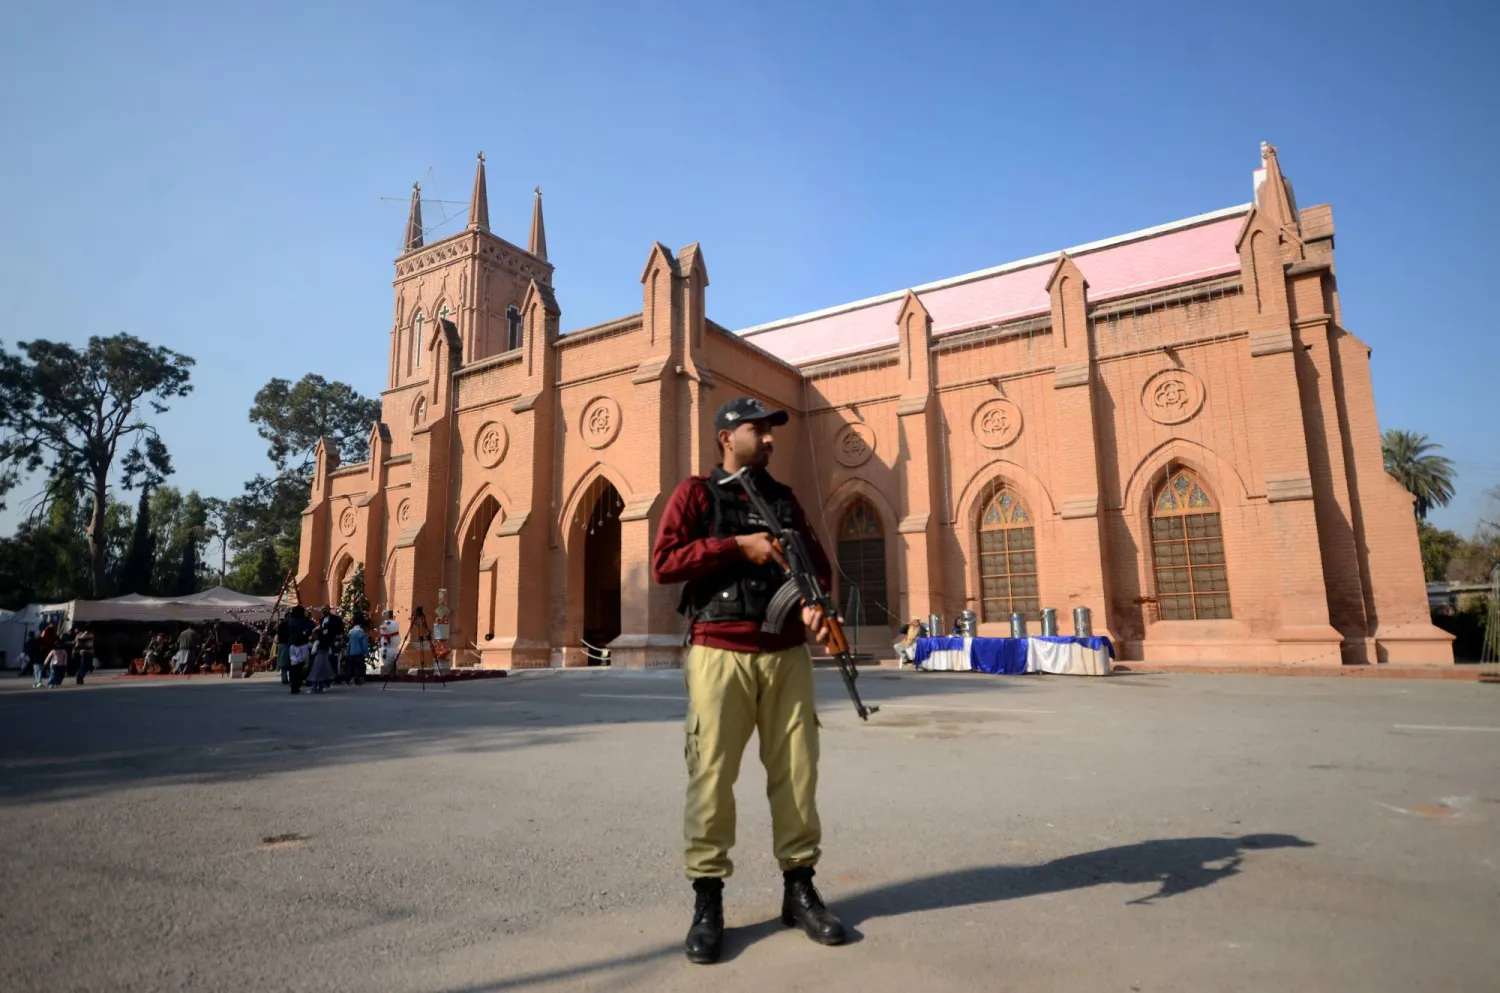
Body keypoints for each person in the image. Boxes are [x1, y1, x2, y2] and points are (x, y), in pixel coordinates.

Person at [651, 396, 846, 966]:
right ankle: (708, 902)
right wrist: (738, 545)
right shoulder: (696, 494)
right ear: (726, 436)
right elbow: (665, 561)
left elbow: (817, 566)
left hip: (786, 654)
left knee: (797, 772)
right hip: (720, 652)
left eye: (770, 431)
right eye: (757, 431)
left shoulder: (783, 498)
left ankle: (800, 890)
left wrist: (817, 607)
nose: (768, 440)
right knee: (711, 776)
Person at [308, 607, 342, 692]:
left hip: (329, 642)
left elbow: (339, 629)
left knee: (324, 664)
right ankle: (323, 684)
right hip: (325, 644)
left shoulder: (335, 619)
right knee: (324, 665)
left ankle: (323, 684)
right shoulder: (322, 620)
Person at [285, 606, 315, 693]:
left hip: (292, 643)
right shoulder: (305, 620)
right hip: (302, 643)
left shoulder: (291, 620)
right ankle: (299, 682)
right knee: (303, 664)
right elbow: (312, 626)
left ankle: (294, 685)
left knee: (294, 664)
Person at [345, 614, 370, 685]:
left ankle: (349, 679)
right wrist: (367, 652)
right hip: (359, 653)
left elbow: (349, 643)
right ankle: (358, 679)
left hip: (352, 652)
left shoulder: (352, 632)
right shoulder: (362, 634)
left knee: (350, 667)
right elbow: (364, 644)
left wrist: (348, 651)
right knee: (359, 667)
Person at [378, 610, 401, 675]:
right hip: (391, 645)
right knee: (389, 655)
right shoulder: (395, 623)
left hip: (390, 645)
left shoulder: (386, 623)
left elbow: (383, 628)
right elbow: (383, 628)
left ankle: (388, 670)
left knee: (387, 656)